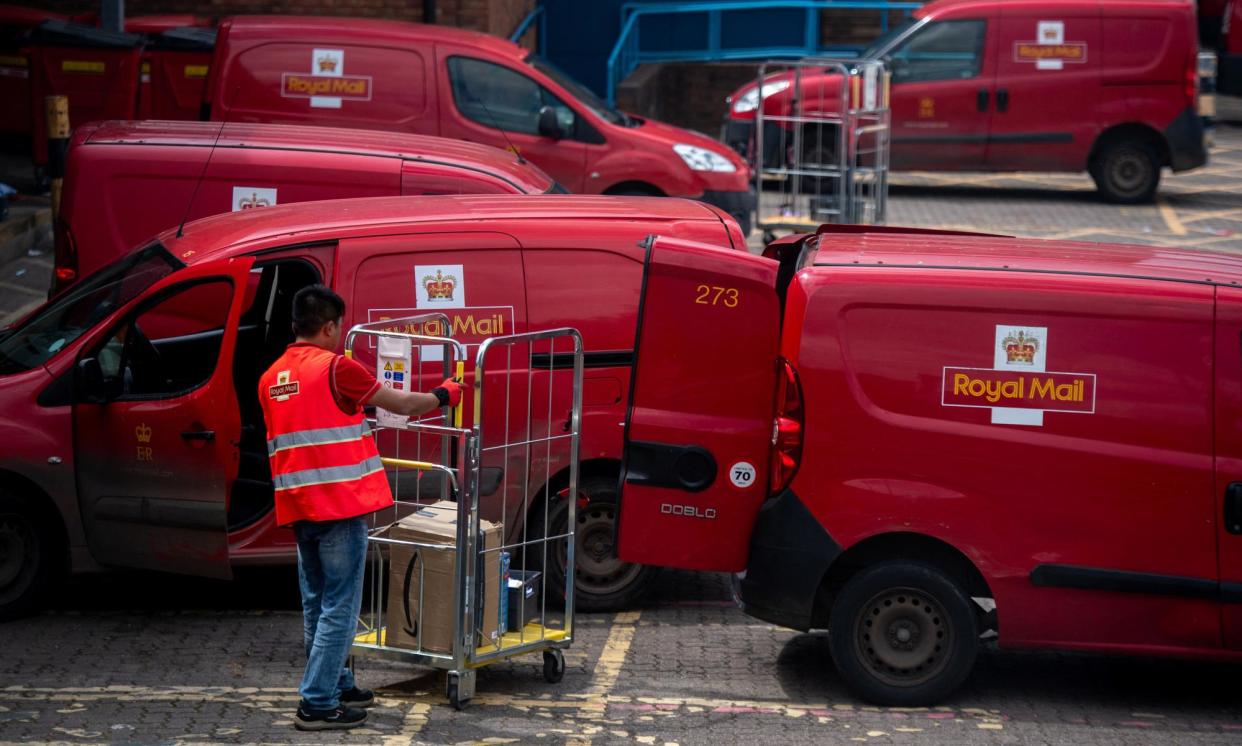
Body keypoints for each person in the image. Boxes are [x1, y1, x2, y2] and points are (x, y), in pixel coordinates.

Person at [258, 285, 463, 731]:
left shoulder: (270, 378)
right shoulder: (337, 369)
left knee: (317, 604)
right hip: (340, 506)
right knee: (341, 608)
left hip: (298, 506)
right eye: (339, 327)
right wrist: (445, 395)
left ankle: (337, 683)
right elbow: (403, 405)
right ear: (329, 327)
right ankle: (316, 702)